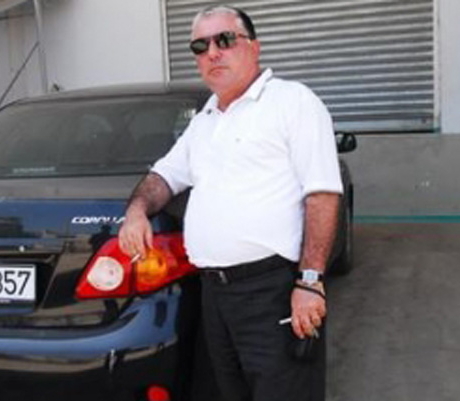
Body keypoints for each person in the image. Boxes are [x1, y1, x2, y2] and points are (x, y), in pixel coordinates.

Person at [118, 5, 342, 401]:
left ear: (254, 47)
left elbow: (322, 193)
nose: (212, 53)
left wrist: (310, 282)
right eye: (200, 46)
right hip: (214, 295)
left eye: (224, 40)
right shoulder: (204, 122)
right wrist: (136, 212)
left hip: (273, 290)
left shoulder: (292, 102)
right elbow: (162, 177)